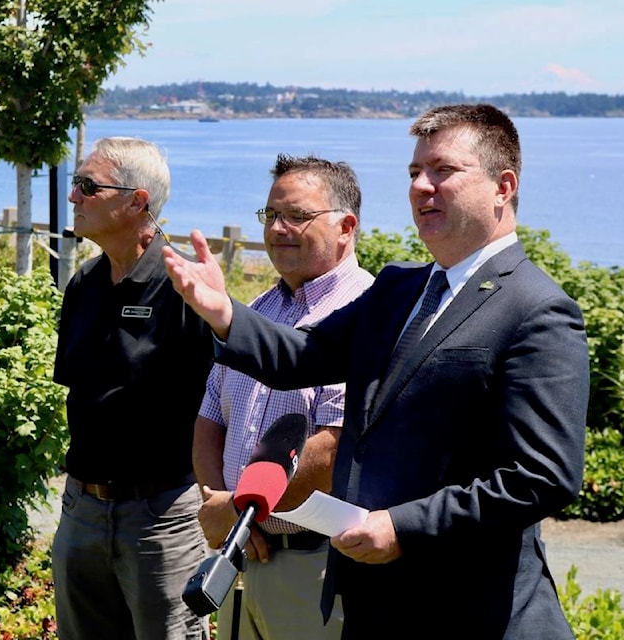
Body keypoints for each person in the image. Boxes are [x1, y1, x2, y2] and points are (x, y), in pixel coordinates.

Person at [163, 103, 589, 638]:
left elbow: (543, 476)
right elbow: (301, 357)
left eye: (443, 170)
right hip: (372, 605)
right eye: (414, 172)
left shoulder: (537, 309)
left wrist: (403, 526)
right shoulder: (397, 288)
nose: (421, 187)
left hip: (473, 611)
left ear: (503, 187)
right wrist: (223, 313)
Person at [194, 154, 374, 640]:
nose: (278, 228)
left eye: (297, 216)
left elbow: (334, 448)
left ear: (346, 226)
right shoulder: (258, 309)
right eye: (271, 215)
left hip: (314, 567)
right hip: (241, 554)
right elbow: (210, 418)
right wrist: (221, 503)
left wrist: (238, 510)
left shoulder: (367, 313)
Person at [52, 136, 215, 640]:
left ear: (136, 201)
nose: (73, 197)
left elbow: (221, 405)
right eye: (74, 184)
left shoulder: (186, 288)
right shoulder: (83, 284)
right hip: (80, 511)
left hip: (160, 520)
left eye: (86, 185)